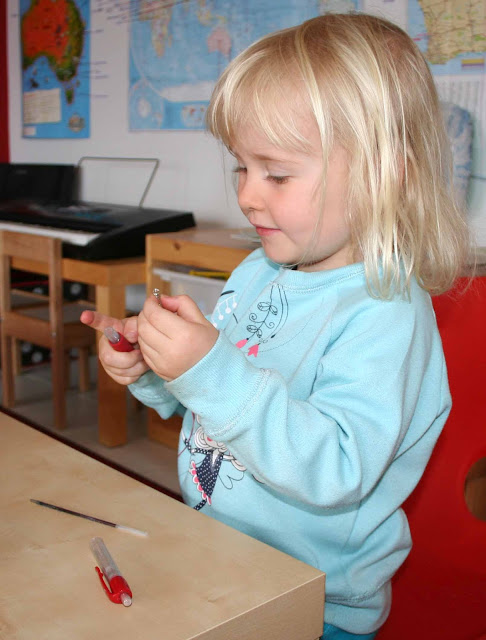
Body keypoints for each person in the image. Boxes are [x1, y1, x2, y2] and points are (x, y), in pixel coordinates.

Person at [81, 13, 471, 639]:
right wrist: (154, 368)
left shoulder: (386, 313)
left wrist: (209, 368)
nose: (247, 195)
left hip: (315, 603)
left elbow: (335, 469)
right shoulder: (260, 269)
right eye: (241, 167)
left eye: (277, 174)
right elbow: (219, 406)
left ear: (383, 173)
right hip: (221, 556)